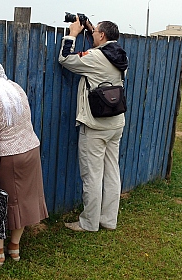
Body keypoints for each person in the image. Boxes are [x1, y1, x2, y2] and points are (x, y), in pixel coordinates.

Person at [0, 58, 48, 265]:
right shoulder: (16, 88)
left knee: (1, 203)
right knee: (22, 201)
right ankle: (14, 249)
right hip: (31, 150)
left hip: (9, 157)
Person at [59, 18, 128, 231]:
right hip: (115, 123)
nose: (93, 33)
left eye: (96, 31)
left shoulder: (96, 57)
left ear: (102, 36)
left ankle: (89, 222)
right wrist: (93, 31)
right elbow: (102, 51)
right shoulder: (122, 56)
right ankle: (108, 220)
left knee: (92, 176)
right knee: (111, 173)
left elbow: (65, 59)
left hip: (95, 125)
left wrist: (72, 34)